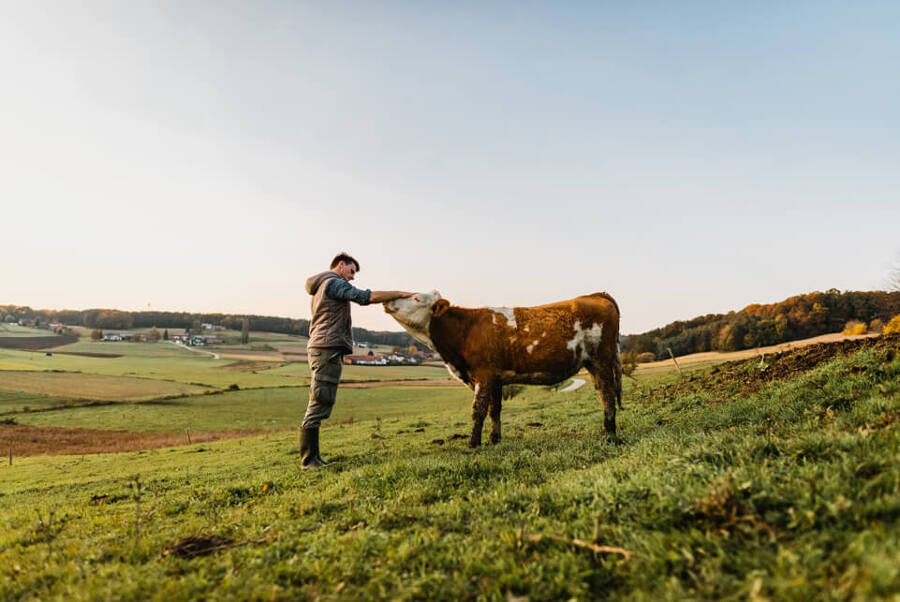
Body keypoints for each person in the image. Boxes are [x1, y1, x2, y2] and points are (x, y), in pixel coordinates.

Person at [301, 253, 413, 470]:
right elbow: (364, 297)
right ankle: (308, 460)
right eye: (351, 271)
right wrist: (399, 294)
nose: (352, 277)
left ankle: (313, 457)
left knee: (323, 399)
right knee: (320, 399)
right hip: (326, 348)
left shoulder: (324, 285)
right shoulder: (333, 283)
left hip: (325, 347)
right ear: (341, 265)